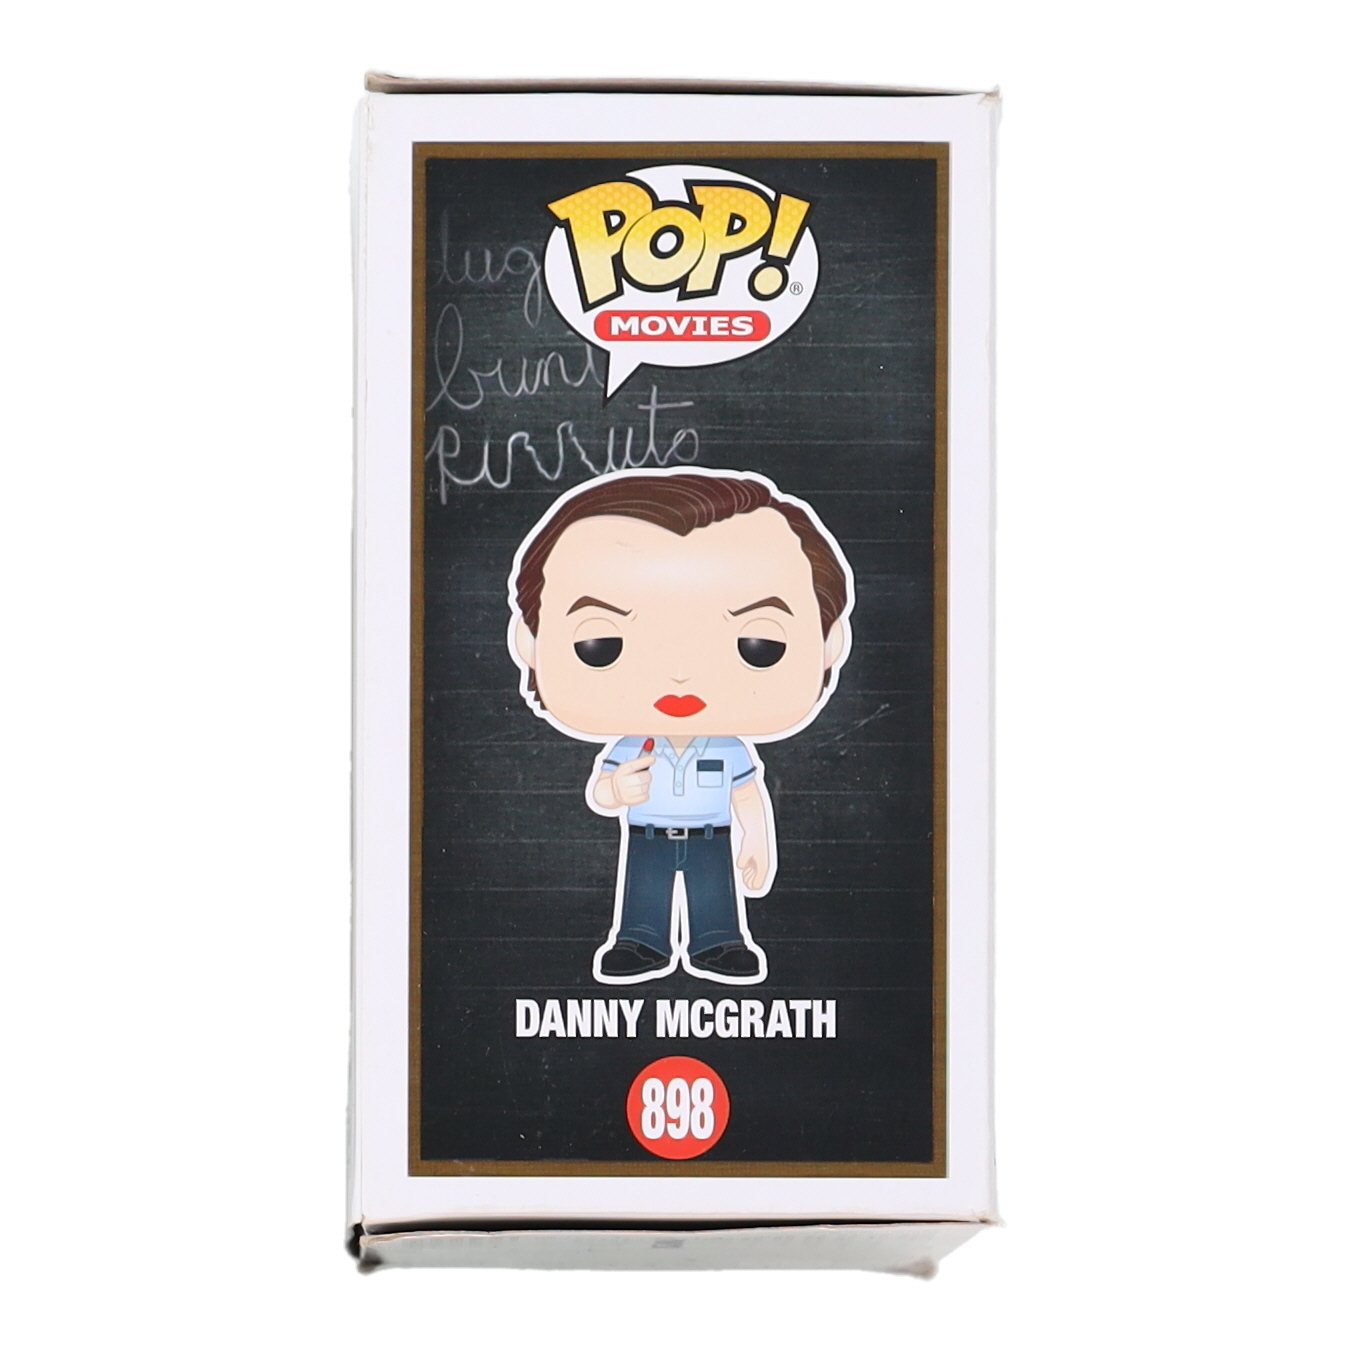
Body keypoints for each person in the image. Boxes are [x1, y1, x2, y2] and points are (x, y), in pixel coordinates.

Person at [507, 468, 853, 985]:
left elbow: (746, 793)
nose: (680, 672)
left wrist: (758, 839)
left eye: (759, 646)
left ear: (829, 644)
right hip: (646, 835)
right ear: (530, 644)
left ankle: (719, 944)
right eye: (601, 645)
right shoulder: (632, 743)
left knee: (715, 898)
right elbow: (601, 792)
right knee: (642, 896)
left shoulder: (730, 748)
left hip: (713, 837)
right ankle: (640, 942)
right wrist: (615, 790)